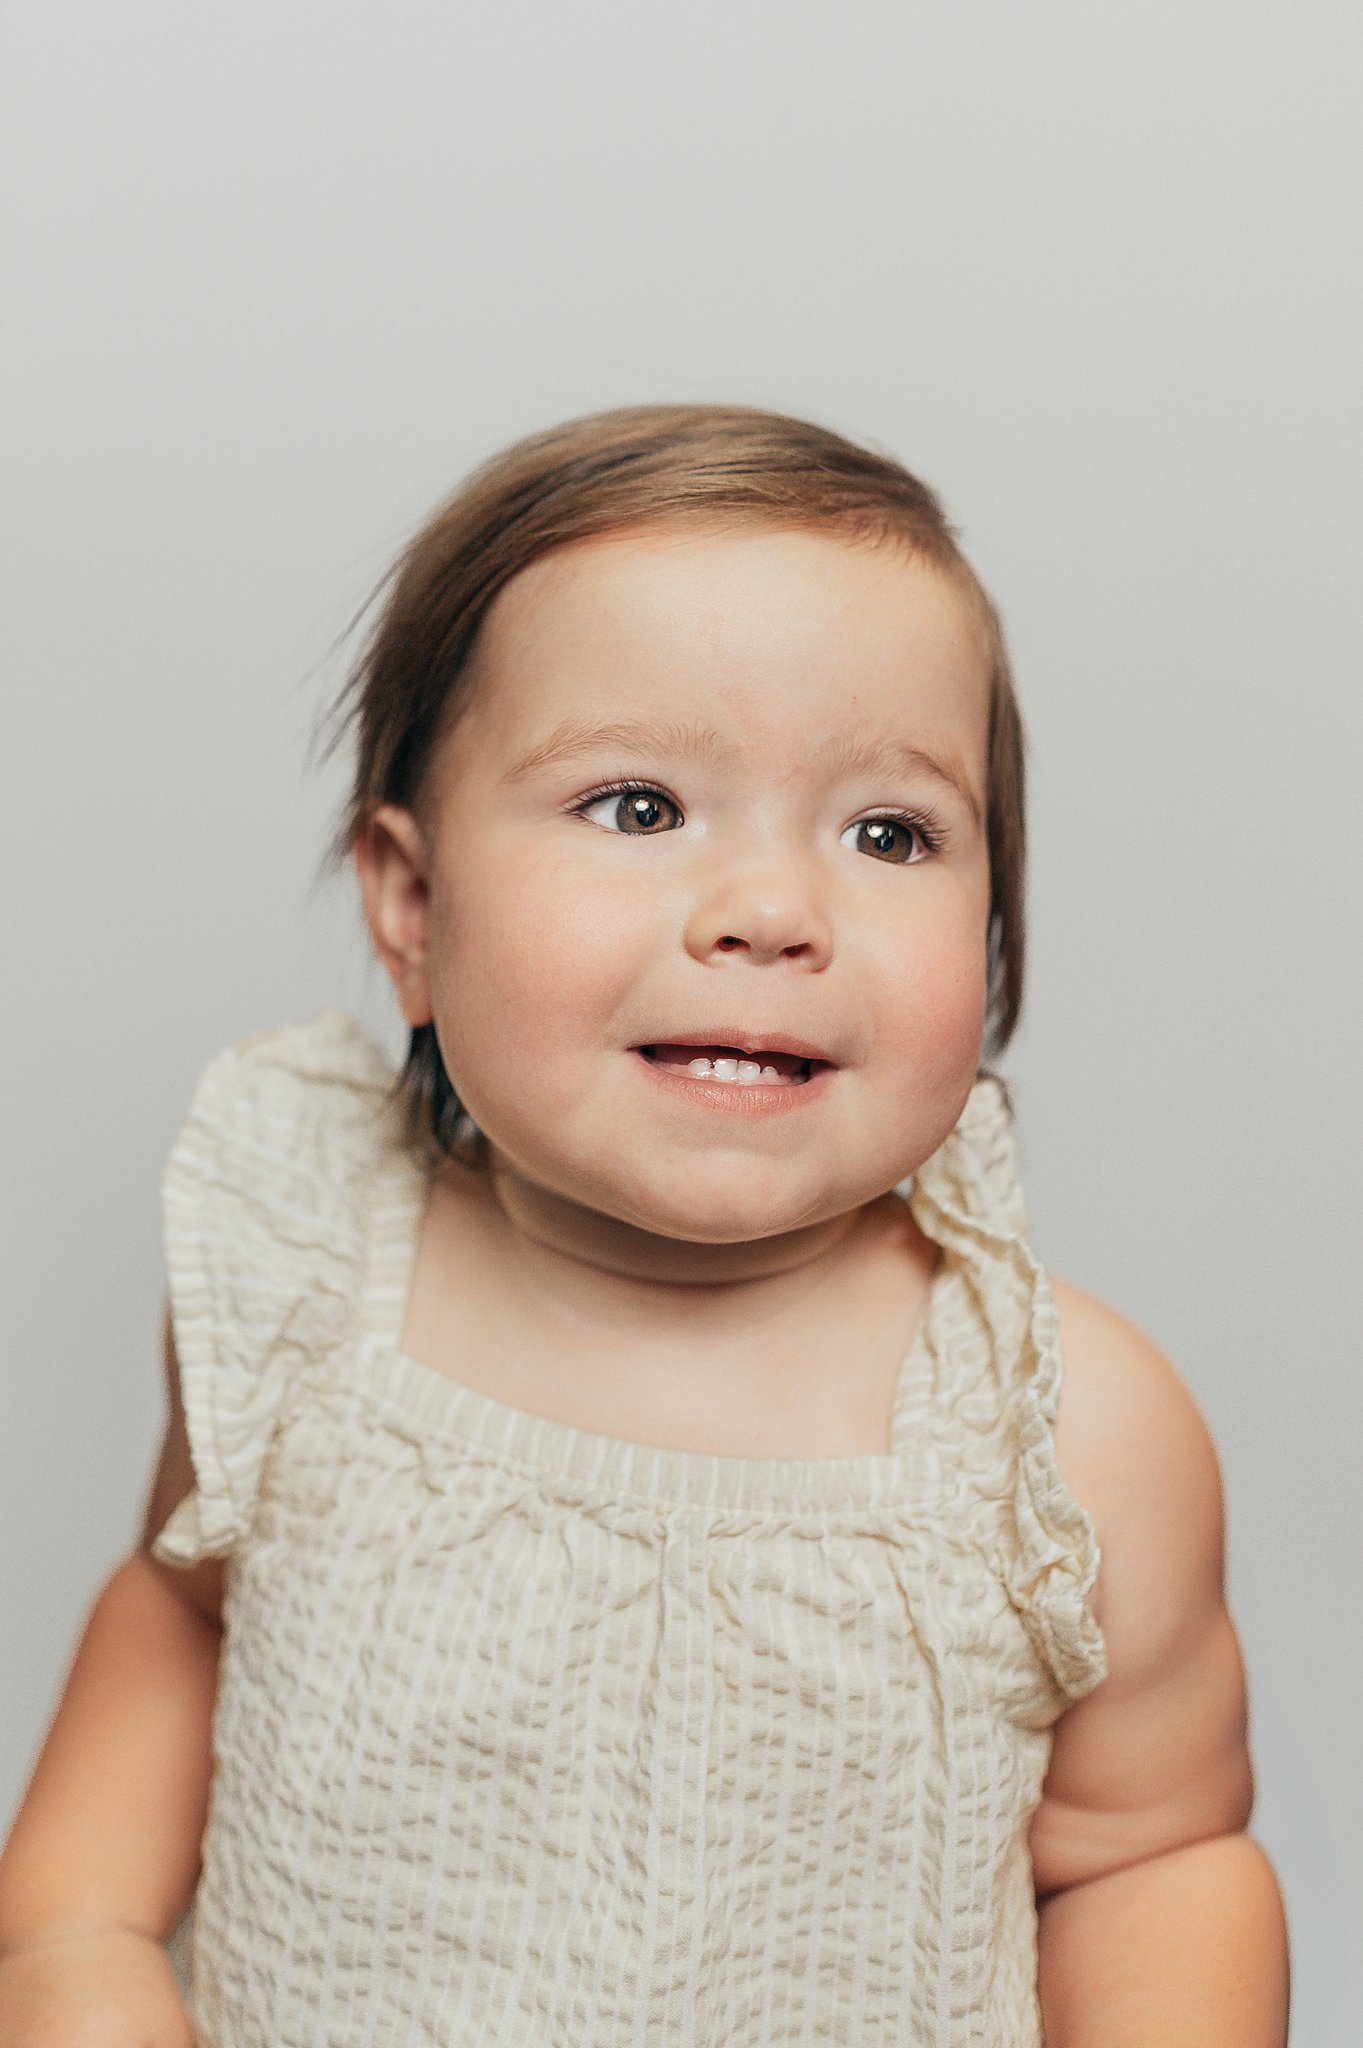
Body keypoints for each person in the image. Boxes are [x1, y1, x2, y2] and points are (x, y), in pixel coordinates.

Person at [0, 404, 1289, 2045]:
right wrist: (75, 1954)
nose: (769, 912)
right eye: (637, 806)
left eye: (889, 833)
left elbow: (1151, 1858)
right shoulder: (304, 1287)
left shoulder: (1070, 1436)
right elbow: (182, 1611)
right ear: (410, 910)